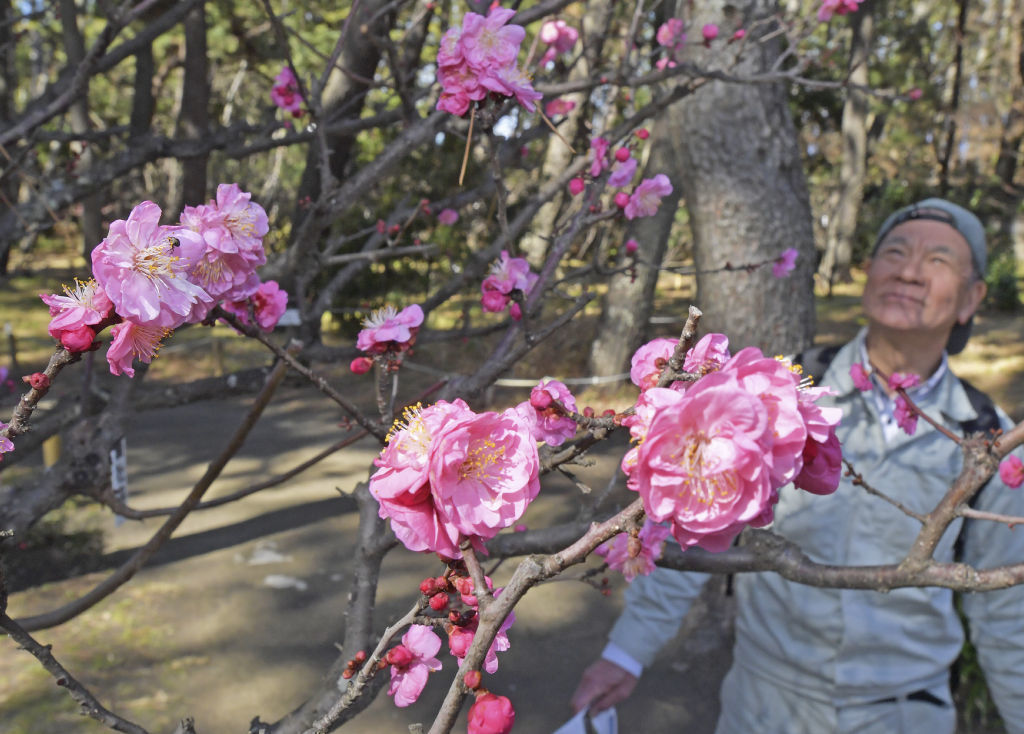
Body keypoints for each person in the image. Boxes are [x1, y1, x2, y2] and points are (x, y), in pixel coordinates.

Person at [571, 198, 1024, 734]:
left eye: (938, 261)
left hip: (904, 712)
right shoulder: (780, 392)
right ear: (869, 273)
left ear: (972, 298)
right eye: (895, 252)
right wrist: (626, 654)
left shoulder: (988, 438)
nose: (908, 271)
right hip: (763, 704)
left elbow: (1006, 613)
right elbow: (690, 520)